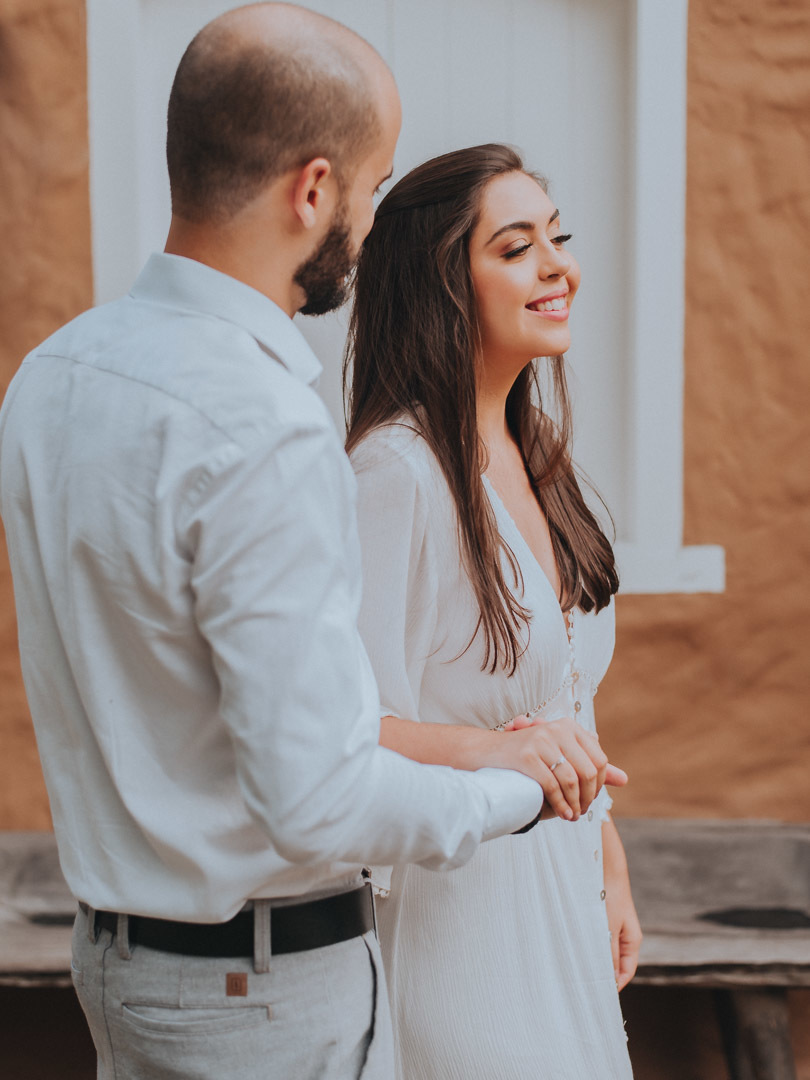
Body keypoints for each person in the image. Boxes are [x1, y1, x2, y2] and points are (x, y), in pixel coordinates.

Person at [0, 12, 617, 1077]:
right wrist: (522, 781)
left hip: (121, 966)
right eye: (373, 190)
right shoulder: (264, 424)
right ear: (314, 190)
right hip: (266, 990)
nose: (370, 224)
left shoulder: (54, 374)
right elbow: (318, 794)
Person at [346, 144, 641, 1079]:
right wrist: (491, 750)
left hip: (562, 896)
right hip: (461, 920)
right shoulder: (393, 475)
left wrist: (607, 854)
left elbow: (565, 703)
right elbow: (344, 733)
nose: (559, 267)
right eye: (516, 248)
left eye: (557, 238)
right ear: (442, 283)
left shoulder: (539, 455)